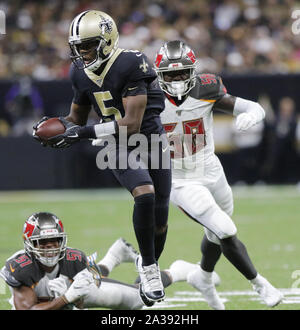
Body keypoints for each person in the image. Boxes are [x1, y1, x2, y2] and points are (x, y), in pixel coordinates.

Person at [32, 10, 171, 303]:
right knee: (144, 193)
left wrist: (79, 134)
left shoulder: (132, 62)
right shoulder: (78, 72)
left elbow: (132, 123)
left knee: (160, 219)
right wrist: (55, 127)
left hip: (149, 139)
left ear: (106, 41)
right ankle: (148, 268)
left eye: (87, 45)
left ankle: (149, 265)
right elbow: (76, 118)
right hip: (115, 143)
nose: (81, 52)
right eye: (77, 46)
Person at [155, 40, 283, 310]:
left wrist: (253, 115)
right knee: (224, 229)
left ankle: (202, 276)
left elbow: (253, 106)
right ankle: (260, 283)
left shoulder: (206, 89)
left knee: (215, 233)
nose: (177, 80)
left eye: (182, 73)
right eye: (170, 74)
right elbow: (122, 121)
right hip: (180, 179)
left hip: (212, 171)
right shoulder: (148, 98)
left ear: (192, 71)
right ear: (159, 75)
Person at [0, 212, 220, 310]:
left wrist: (76, 293)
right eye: (43, 243)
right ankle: (115, 255)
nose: (50, 248)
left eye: (54, 241)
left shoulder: (74, 258)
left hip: (82, 296)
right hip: (66, 297)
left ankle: (177, 271)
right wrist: (66, 297)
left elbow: (88, 286)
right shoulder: (19, 267)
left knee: (140, 299)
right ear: (29, 244)